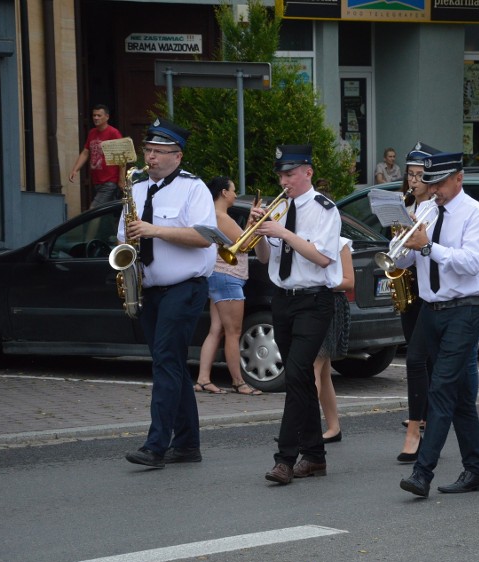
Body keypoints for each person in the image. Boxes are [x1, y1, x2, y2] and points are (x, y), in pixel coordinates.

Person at [121, 117, 217, 468]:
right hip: (149, 288)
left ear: (177, 156)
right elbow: (124, 237)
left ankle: (156, 445)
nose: (151, 158)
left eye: (159, 152)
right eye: (148, 151)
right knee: (171, 363)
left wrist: (155, 230)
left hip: (184, 288)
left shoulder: (194, 189)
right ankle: (188, 444)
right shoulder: (135, 188)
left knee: (164, 362)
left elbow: (205, 236)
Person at [397, 151, 479, 498]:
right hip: (432, 308)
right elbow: (409, 257)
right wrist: (403, 242)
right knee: (461, 397)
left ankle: (422, 473)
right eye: (429, 182)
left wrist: (428, 247)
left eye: (438, 183)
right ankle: (477, 470)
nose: (432, 189)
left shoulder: (476, 213)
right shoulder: (426, 210)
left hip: (465, 308)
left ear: (458, 178)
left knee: (441, 388)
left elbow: (470, 263)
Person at [255, 145, 342, 485]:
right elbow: (264, 259)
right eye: (280, 175)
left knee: (294, 374)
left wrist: (284, 233)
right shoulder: (278, 209)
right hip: (283, 299)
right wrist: (261, 232)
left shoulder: (325, 209)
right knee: (301, 379)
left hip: (314, 301)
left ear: (307, 171)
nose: (284, 180)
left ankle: (285, 459)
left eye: (289, 174)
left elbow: (322, 258)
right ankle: (316, 456)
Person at [195, 176, 269, 396]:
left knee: (216, 330)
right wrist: (256, 223)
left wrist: (250, 222)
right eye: (233, 190)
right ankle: (238, 381)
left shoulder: (214, 215)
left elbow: (239, 240)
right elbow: (245, 244)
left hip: (219, 276)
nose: (236, 194)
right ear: (224, 193)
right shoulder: (221, 217)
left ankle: (203, 379)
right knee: (233, 332)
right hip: (228, 277)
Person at [397, 141, 439, 462]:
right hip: (413, 287)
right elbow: (403, 259)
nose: (413, 181)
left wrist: (413, 232)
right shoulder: (411, 205)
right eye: (410, 174)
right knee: (418, 356)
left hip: (436, 293)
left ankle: (424, 420)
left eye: (419, 175)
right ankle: (424, 418)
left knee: (424, 360)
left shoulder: (436, 209)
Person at [315, 236, 353, 443]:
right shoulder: (305, 239)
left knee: (314, 364)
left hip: (330, 304)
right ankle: (333, 426)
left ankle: (303, 427)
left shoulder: (340, 243)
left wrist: (319, 284)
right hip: (310, 304)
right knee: (323, 371)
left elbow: (349, 281)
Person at [69, 104, 123, 208]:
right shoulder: (92, 133)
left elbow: (121, 156)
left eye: (99, 115)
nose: (96, 118)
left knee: (94, 210)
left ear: (107, 117)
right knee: (106, 214)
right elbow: (85, 152)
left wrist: (121, 179)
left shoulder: (113, 133)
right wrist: (75, 169)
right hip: (97, 181)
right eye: (94, 115)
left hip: (110, 181)